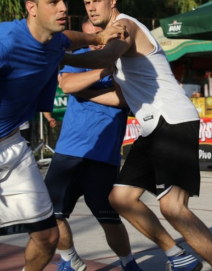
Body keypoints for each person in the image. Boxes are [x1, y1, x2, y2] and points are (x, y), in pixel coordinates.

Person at [63, 0, 212, 271]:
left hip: (173, 120)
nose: (91, 8)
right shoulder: (111, 34)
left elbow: (105, 56)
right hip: (152, 126)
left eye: (97, 1)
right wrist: (85, 92)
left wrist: (60, 57)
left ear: (112, 1)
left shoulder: (125, 27)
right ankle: (177, 255)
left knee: (173, 207)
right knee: (121, 198)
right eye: (87, 3)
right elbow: (122, 98)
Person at [0, 0, 125, 271]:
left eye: (65, 1)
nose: (63, 8)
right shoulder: (6, 43)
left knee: (47, 237)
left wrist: (100, 38)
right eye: (53, 2)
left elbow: (73, 38)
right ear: (31, 7)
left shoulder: (56, 40)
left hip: (12, 147)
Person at [44, 18, 141, 271]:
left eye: (101, 36)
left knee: (108, 218)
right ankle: (69, 260)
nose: (97, 44)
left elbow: (122, 100)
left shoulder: (124, 62)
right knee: (52, 213)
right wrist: (102, 70)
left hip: (104, 154)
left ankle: (129, 263)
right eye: (91, 39)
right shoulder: (82, 57)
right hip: (70, 151)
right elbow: (66, 84)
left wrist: (86, 90)